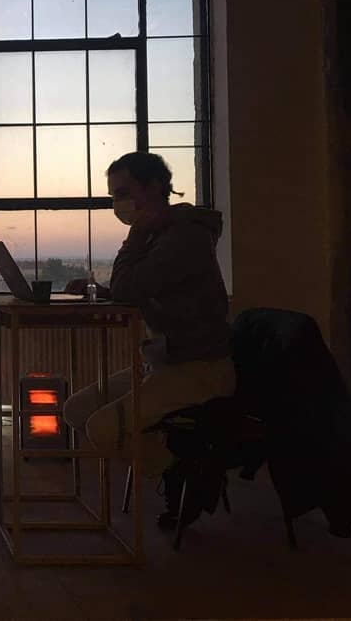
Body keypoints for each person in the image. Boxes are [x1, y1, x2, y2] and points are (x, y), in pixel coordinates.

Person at [62, 151, 235, 527]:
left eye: (124, 193)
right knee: (76, 410)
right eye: (114, 196)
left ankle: (186, 469)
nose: (118, 204)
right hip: (163, 362)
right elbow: (142, 289)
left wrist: (135, 235)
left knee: (102, 428)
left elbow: (132, 287)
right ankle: (180, 459)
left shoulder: (185, 236)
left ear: (155, 187)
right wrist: (106, 292)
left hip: (198, 369)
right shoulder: (161, 235)